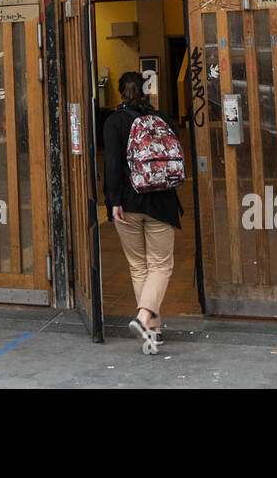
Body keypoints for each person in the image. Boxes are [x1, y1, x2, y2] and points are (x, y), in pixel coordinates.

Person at [103, 70, 182, 352]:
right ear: (145, 90)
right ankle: (149, 323)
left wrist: (113, 202)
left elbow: (112, 165)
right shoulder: (161, 119)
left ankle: (147, 323)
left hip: (128, 203)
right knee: (161, 265)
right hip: (161, 202)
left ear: (120, 92)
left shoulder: (114, 122)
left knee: (139, 267)